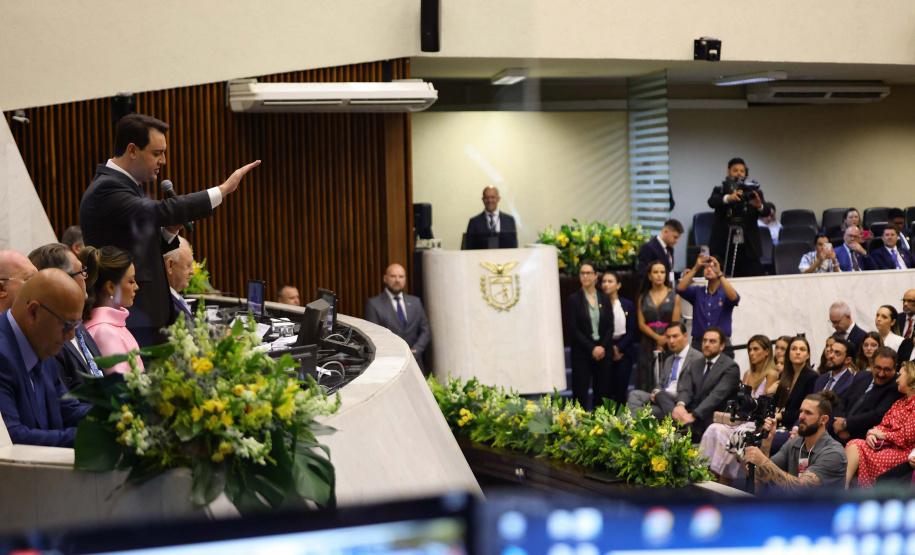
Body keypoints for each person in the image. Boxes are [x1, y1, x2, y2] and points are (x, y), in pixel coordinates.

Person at [79, 114, 260, 347]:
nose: (163, 160)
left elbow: (138, 248)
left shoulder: (127, 186)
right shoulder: (107, 188)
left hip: (145, 317)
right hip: (131, 320)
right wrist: (222, 190)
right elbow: (161, 210)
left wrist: (169, 232)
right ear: (132, 150)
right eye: (157, 153)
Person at [0, 269, 91, 447]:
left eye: (76, 325)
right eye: (67, 324)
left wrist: (118, 418)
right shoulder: (3, 355)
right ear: (34, 312)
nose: (71, 335)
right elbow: (11, 439)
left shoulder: (41, 342)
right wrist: (91, 437)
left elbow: (69, 410)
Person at [699, 334, 780, 485]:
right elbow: (742, 400)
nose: (751, 353)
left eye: (756, 349)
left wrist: (770, 391)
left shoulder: (772, 374)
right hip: (743, 419)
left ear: (767, 351)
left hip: (758, 421)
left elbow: (766, 405)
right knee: (714, 428)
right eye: (750, 349)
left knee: (732, 434)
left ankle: (725, 481)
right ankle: (706, 474)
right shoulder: (747, 373)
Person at [28, 243, 104, 391]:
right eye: (81, 271)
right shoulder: (49, 338)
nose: (85, 276)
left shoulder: (79, 326)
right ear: (64, 280)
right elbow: (66, 405)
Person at [744, 391, 848, 491]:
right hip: (793, 508)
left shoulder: (834, 453)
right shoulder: (794, 443)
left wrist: (763, 462)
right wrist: (767, 441)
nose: (801, 417)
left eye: (808, 413)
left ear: (823, 420)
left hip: (822, 509)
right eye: (801, 411)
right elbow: (760, 477)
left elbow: (801, 489)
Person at [845, 361, 915, 488]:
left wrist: (882, 435)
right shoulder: (900, 402)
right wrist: (872, 433)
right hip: (888, 446)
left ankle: (848, 492)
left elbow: (907, 438)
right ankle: (844, 489)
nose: (897, 380)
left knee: (858, 450)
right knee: (854, 444)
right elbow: (884, 424)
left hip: (905, 452)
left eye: (900, 376)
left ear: (911, 377)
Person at [80, 246, 144, 375]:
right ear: (111, 286)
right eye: (131, 281)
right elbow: (120, 386)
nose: (136, 287)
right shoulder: (105, 331)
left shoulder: (111, 326)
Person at [707, 157, 772, 277]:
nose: (739, 173)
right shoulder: (720, 190)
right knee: (725, 279)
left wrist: (759, 206)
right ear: (729, 172)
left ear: (746, 173)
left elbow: (767, 211)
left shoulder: (753, 191)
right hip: (724, 244)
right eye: (735, 170)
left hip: (749, 246)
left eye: (742, 171)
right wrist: (729, 198)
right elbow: (712, 202)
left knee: (753, 279)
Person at [670, 327, 740, 438]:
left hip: (713, 416)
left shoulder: (731, 367)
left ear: (722, 346)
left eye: (712, 341)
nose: (707, 344)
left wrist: (694, 415)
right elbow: (686, 388)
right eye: (705, 340)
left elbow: (716, 396)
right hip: (691, 413)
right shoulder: (695, 364)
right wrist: (680, 405)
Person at [363, 263, 431, 373]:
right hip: (389, 366)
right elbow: (374, 337)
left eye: (401, 277)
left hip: (416, 364)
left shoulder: (415, 302)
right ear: (385, 278)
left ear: (405, 279)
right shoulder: (373, 304)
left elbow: (425, 330)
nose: (397, 280)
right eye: (393, 276)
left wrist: (416, 350)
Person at [565, 262, 615, 409]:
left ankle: (600, 428)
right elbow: (574, 329)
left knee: (603, 393)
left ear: (596, 275)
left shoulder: (605, 298)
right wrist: (592, 348)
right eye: (582, 273)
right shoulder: (573, 299)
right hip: (582, 353)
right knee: (580, 394)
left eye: (588, 273)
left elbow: (610, 326)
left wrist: (601, 347)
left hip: (603, 352)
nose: (585, 276)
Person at [628, 323, 703, 419]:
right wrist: (656, 392)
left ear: (685, 336)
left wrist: (678, 402)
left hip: (677, 401)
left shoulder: (697, 358)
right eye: (668, 337)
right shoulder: (669, 359)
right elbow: (661, 383)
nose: (671, 341)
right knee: (634, 395)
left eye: (675, 336)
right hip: (661, 397)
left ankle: (630, 426)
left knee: (637, 413)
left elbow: (695, 389)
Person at [831, 347, 902, 446]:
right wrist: (840, 424)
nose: (881, 374)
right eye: (878, 368)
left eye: (886, 370)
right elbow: (843, 401)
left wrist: (846, 424)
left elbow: (877, 415)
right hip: (837, 431)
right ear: (872, 364)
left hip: (861, 439)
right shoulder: (861, 376)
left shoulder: (896, 386)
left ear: (895, 368)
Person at [768, 336, 819, 455]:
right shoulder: (784, 375)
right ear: (788, 353)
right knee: (744, 436)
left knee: (760, 441)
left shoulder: (812, 377)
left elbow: (806, 410)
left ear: (807, 355)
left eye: (802, 349)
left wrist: (780, 415)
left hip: (794, 427)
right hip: (776, 424)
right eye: (794, 349)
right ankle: (753, 473)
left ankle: (764, 473)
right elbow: (774, 404)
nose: (797, 352)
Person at [677, 254, 739, 351]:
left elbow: (734, 298)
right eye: (706, 267)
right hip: (698, 344)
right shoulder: (698, 291)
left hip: (721, 344)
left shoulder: (725, 292)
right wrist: (696, 267)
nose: (709, 269)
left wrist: (719, 274)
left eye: (713, 266)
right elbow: (680, 289)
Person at [635, 261, 681, 390]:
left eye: (662, 272)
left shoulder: (674, 296)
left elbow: (675, 322)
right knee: (646, 377)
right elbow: (641, 324)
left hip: (669, 342)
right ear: (649, 276)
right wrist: (657, 338)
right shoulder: (642, 297)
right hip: (648, 342)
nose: (659, 275)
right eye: (655, 272)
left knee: (667, 376)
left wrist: (664, 339)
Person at [601, 271, 638, 404]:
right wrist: (611, 349)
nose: (606, 284)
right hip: (604, 350)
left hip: (624, 350)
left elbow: (632, 330)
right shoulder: (597, 304)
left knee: (621, 390)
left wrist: (618, 348)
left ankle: (621, 423)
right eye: (604, 281)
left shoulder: (627, 304)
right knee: (605, 391)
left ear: (618, 285)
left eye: (610, 281)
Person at [163, 237, 196, 323]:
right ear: (170, 266)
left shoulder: (173, 297)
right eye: (188, 266)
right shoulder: (166, 306)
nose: (193, 272)